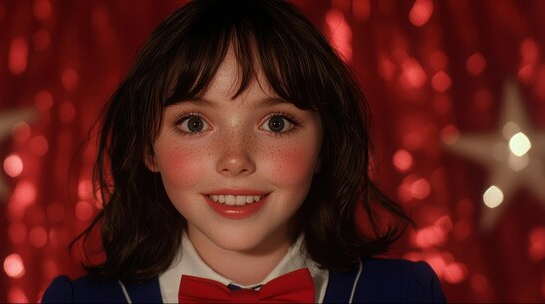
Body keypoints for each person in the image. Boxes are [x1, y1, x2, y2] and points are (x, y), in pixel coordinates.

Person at [42, 0, 446, 302]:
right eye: (195, 123)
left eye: (276, 123)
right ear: (149, 147)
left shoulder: (406, 294)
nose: (235, 160)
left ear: (325, 144)